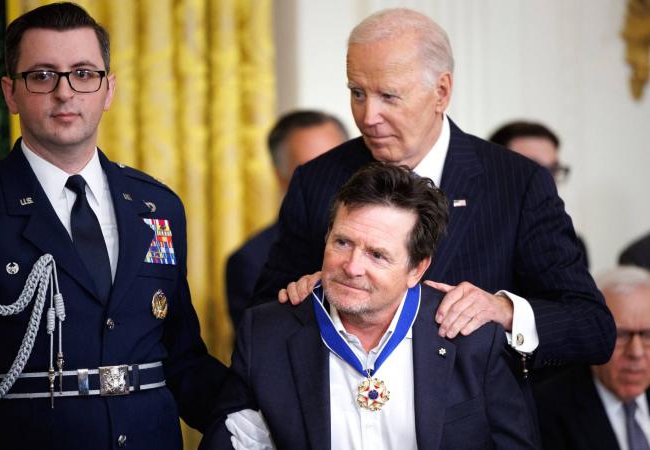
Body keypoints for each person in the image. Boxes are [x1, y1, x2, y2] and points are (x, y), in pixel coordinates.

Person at [253, 8, 614, 377]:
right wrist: (305, 297)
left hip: (477, 426)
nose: (368, 116)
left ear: (441, 91)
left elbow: (592, 327)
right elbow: (265, 314)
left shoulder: (517, 183)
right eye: (357, 93)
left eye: (389, 96)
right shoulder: (317, 180)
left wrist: (504, 312)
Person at [0, 3, 225, 449]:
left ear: (108, 89)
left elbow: (183, 360)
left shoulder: (157, 206)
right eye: (41, 75)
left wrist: (265, 411)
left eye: (83, 73)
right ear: (10, 93)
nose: (65, 92)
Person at [202, 163, 538, 450]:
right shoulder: (266, 333)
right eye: (343, 243)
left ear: (417, 268)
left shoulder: (471, 337)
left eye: (377, 255)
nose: (351, 266)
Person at [225, 110, 347, 330]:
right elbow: (260, 346)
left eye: (337, 168)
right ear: (281, 178)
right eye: (316, 171)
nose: (332, 181)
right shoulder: (250, 261)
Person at [534, 266, 650, 450]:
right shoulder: (548, 410)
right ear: (594, 334)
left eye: (647, 335)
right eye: (620, 335)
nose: (635, 352)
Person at [489, 120, 589, 268]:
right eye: (531, 169)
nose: (545, 181)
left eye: (553, 169)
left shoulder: (571, 244)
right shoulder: (459, 235)